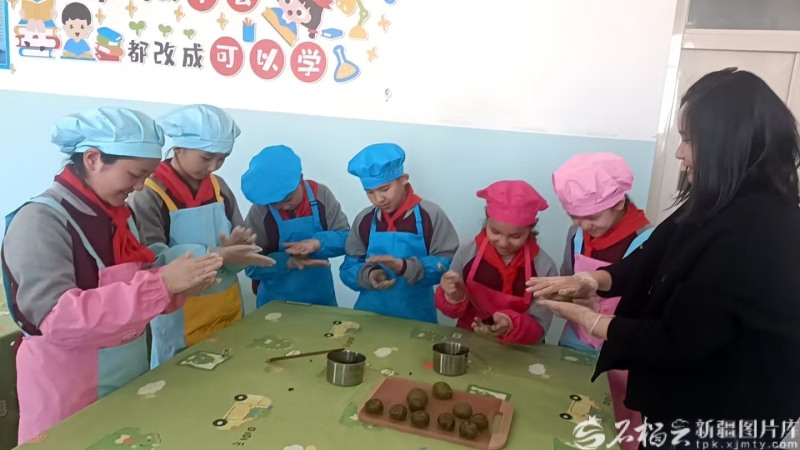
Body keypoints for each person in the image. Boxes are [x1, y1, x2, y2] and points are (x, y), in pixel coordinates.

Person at [528, 69, 800, 448]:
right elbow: (650, 257)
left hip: (725, 420)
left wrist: (591, 320)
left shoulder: (755, 231)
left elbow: (677, 340)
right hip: (683, 401)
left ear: (728, 143)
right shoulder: (716, 202)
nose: (678, 152)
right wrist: (591, 280)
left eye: (688, 139)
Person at [1, 107, 223, 444]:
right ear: (93, 159)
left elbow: (135, 282)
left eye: (147, 176)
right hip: (67, 388)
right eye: (134, 174)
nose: (139, 186)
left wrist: (183, 282)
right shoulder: (39, 222)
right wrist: (162, 284)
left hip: (127, 375)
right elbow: (59, 318)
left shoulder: (120, 215)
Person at [128, 104, 274, 368]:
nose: (213, 166)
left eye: (222, 158)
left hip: (227, 305)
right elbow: (153, 260)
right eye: (207, 157)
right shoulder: (148, 193)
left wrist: (240, 250)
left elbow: (237, 246)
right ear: (179, 148)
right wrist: (217, 254)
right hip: (180, 314)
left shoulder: (219, 188)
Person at [549, 153, 651, 450]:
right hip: (576, 340)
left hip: (622, 353)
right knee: (566, 415)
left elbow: (650, 311)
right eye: (574, 215)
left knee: (619, 429)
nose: (584, 224)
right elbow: (569, 276)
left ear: (618, 202)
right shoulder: (576, 234)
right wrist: (561, 293)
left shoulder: (648, 240)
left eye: (592, 217)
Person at [341, 143, 459, 323]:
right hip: (369, 316)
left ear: (403, 179)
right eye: (370, 192)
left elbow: (448, 264)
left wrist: (405, 267)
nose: (378, 199)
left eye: (384, 189)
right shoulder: (364, 219)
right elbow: (348, 267)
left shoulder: (430, 215)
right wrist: (370, 275)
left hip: (416, 318)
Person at [435, 181, 556, 344]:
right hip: (469, 342)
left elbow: (540, 327)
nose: (503, 243)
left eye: (515, 236)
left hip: (519, 350)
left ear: (532, 226)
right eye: (495, 232)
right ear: (487, 216)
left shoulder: (544, 268)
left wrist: (509, 325)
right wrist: (452, 296)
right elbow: (452, 312)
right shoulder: (467, 252)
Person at [241, 145, 350, 307]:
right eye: (275, 203)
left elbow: (347, 239)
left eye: (288, 199)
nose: (284, 206)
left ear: (301, 179)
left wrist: (318, 243)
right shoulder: (260, 211)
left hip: (321, 300)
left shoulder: (321, 195)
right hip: (275, 305)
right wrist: (287, 262)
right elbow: (249, 265)